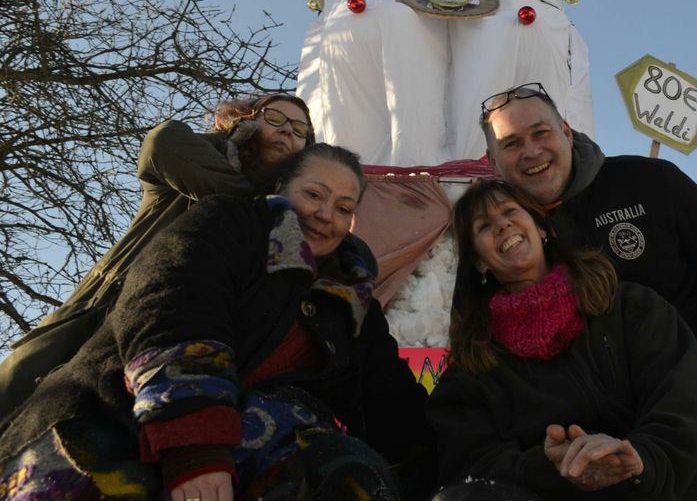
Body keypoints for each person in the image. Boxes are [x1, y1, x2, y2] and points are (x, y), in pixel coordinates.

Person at [0, 143, 432, 500]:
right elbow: (172, 307)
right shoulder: (231, 224)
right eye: (314, 194)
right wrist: (195, 447)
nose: (326, 215)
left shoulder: (353, 301)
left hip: (261, 456)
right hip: (114, 422)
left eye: (344, 207)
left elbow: (390, 402)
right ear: (281, 188)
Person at [479, 83, 697, 500]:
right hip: (610, 387)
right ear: (492, 162)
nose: (531, 151)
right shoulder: (505, 236)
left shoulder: (647, 180)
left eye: (541, 133)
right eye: (511, 144)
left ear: (567, 132)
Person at [0, 94, 317, 417]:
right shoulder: (199, 162)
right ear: (247, 120)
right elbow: (163, 141)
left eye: (299, 128)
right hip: (90, 322)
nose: (287, 131)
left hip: (173, 350)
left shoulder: (293, 227)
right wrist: (258, 207)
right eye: (274, 118)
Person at [426, 180, 697, 501]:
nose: (502, 224)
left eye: (510, 211)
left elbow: (679, 405)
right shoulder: (473, 365)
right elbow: (469, 461)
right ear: (480, 262)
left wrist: (639, 460)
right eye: (484, 226)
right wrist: (548, 467)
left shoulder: (633, 307)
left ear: (542, 229)